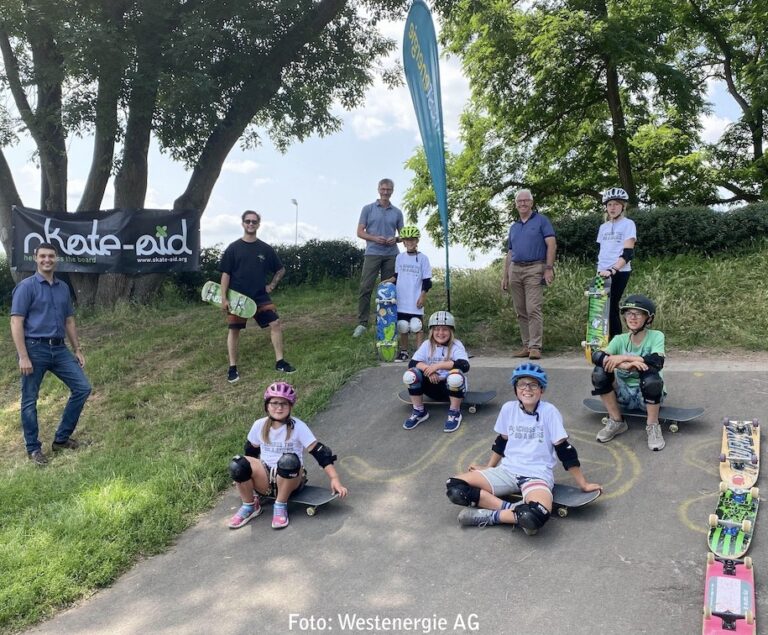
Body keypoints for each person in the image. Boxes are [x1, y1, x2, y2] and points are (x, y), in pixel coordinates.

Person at [446, 363, 601, 534]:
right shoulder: (508, 409)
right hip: (507, 471)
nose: (527, 389)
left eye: (533, 384)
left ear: (541, 390)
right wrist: (489, 468)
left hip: (537, 475)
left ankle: (492, 516)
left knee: (536, 515)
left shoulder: (549, 412)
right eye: (522, 384)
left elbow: (565, 451)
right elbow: (501, 442)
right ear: (515, 389)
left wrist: (583, 484)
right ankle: (515, 511)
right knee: (455, 488)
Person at [10, 243, 92, 466]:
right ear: (36, 258)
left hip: (59, 349)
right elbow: (16, 322)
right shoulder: (26, 287)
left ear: (56, 259)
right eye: (43, 256)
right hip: (34, 349)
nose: (47, 259)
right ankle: (33, 449)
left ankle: (61, 440)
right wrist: (23, 356)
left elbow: (69, 320)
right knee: (29, 400)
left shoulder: (63, 287)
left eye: (51, 256)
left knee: (83, 388)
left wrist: (77, 349)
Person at [227, 381, 348, 529]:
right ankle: (250, 506)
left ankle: (280, 505)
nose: (279, 407)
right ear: (267, 405)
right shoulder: (259, 425)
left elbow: (320, 452)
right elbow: (250, 453)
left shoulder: (298, 427)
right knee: (238, 463)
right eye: (274, 403)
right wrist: (243, 477)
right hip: (265, 482)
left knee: (288, 460)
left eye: (284, 404)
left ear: (290, 406)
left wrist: (335, 479)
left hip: (291, 480)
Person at [219, 210, 295, 383]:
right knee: (234, 330)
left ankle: (280, 362)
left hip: (260, 296)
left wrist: (272, 285)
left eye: (254, 222)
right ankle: (232, 368)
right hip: (237, 297)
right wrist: (224, 298)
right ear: (243, 223)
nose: (251, 224)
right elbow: (225, 274)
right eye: (248, 221)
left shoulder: (265, 249)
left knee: (275, 323)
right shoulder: (233, 248)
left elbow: (280, 269)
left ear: (259, 224)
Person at [590, 294, 666, 451]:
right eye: (629, 313)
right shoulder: (619, 339)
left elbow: (657, 361)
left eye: (638, 313)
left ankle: (653, 426)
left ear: (648, 318)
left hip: (647, 396)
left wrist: (622, 358)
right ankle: (617, 421)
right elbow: (597, 356)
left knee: (650, 375)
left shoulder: (656, 336)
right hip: (623, 396)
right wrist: (626, 365)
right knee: (599, 372)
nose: (632, 317)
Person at [501, 189, 556, 360]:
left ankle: (535, 347)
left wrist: (548, 268)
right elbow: (510, 253)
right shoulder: (514, 227)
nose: (523, 203)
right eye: (520, 201)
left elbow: (552, 244)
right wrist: (505, 275)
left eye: (526, 200)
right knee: (520, 310)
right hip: (515, 269)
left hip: (535, 268)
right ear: (516, 204)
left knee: (533, 308)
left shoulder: (541, 221)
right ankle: (526, 345)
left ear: (532, 203)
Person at [401, 310, 469, 433]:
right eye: (437, 329)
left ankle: (454, 413)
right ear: (432, 331)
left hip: (451, 387)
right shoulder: (427, 344)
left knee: (455, 377)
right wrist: (429, 370)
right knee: (410, 374)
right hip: (431, 387)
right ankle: (419, 411)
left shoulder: (456, 345)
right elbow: (413, 363)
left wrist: (438, 366)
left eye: (445, 329)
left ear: (451, 331)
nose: (440, 333)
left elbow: (464, 365)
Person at [353, 178, 404, 337]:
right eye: (383, 189)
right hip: (373, 252)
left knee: (389, 289)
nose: (385, 192)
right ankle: (362, 323)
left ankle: (386, 320)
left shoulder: (397, 212)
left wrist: (395, 239)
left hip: (391, 254)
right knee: (365, 287)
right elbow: (360, 232)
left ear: (392, 191)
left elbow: (403, 235)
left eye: (388, 190)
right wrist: (375, 238)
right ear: (378, 189)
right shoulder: (367, 209)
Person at [383, 225, 432, 362]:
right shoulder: (399, 257)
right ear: (403, 242)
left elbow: (427, 280)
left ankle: (419, 355)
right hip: (401, 299)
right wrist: (387, 282)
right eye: (407, 240)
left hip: (415, 299)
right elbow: (397, 276)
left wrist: (423, 295)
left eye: (412, 240)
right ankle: (404, 352)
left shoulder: (423, 258)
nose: (410, 242)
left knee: (417, 326)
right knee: (402, 326)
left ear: (417, 241)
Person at [596, 187, 637, 340]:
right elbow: (603, 251)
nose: (612, 208)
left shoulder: (628, 224)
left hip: (620, 271)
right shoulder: (603, 227)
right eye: (609, 204)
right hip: (602, 271)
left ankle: (616, 341)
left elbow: (628, 253)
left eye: (616, 204)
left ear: (623, 206)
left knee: (611, 306)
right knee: (600, 308)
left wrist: (613, 269)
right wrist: (601, 270)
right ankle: (601, 341)